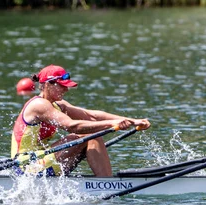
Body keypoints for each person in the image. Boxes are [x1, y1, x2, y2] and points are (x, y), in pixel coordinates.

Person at [11, 64, 151, 177]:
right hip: (26, 167)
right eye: (62, 85)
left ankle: (106, 182)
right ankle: (107, 184)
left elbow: (92, 116)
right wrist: (112, 124)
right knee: (90, 135)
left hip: (42, 160)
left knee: (93, 135)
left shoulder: (58, 104)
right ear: (48, 84)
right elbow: (72, 126)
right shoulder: (39, 105)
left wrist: (132, 121)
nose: (66, 89)